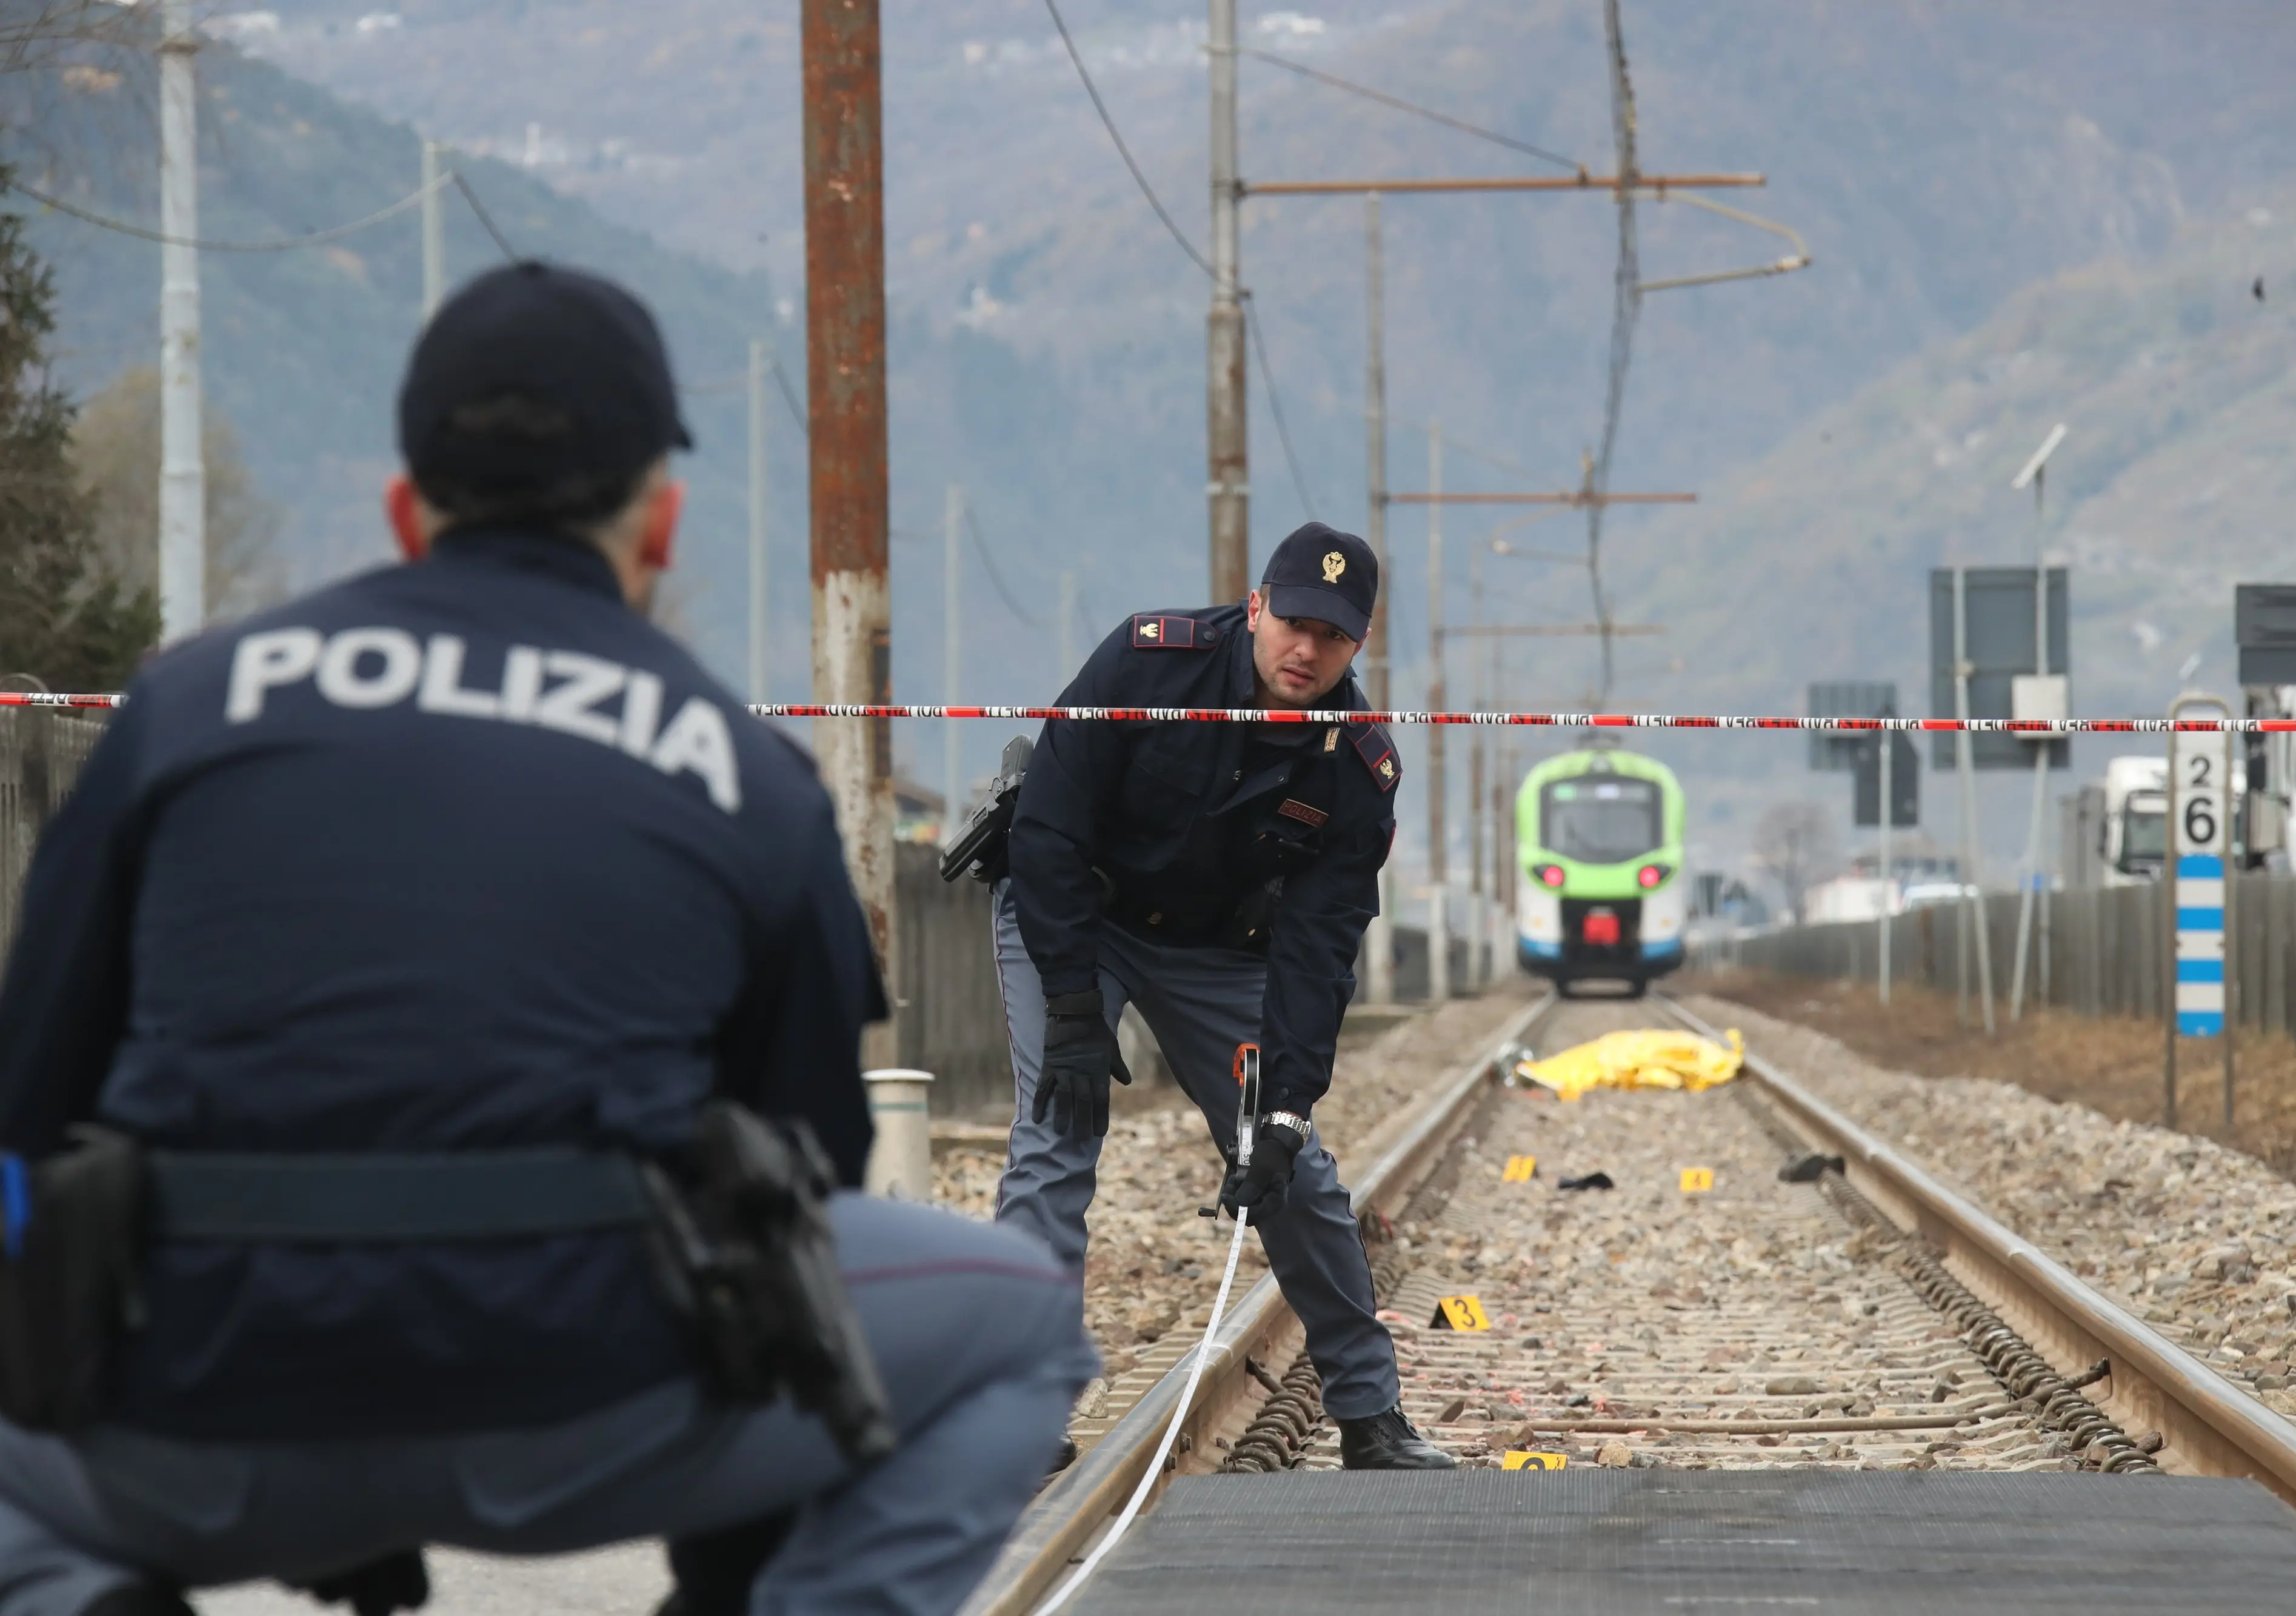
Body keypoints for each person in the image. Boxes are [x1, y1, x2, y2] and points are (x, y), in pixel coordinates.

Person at [0, 262, 1093, 1616]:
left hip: (216, 1405)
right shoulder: (740, 772)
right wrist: (730, 1560)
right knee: (1022, 1325)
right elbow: (800, 1171)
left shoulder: (183, 706)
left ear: (406, 512)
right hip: (595, 1398)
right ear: (663, 526)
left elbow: (34, 1101)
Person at [993, 522, 1452, 1471]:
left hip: (1219, 955)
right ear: (1256, 608)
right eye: (1293, 623)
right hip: (1079, 914)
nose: (1306, 649)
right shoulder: (1145, 663)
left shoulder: (1356, 769)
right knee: (1055, 1142)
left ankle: (1371, 1413)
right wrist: (1074, 1008)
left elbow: (1320, 949)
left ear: (1357, 645)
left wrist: (1286, 1102)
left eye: (1332, 636)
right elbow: (1045, 829)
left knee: (1296, 1171)